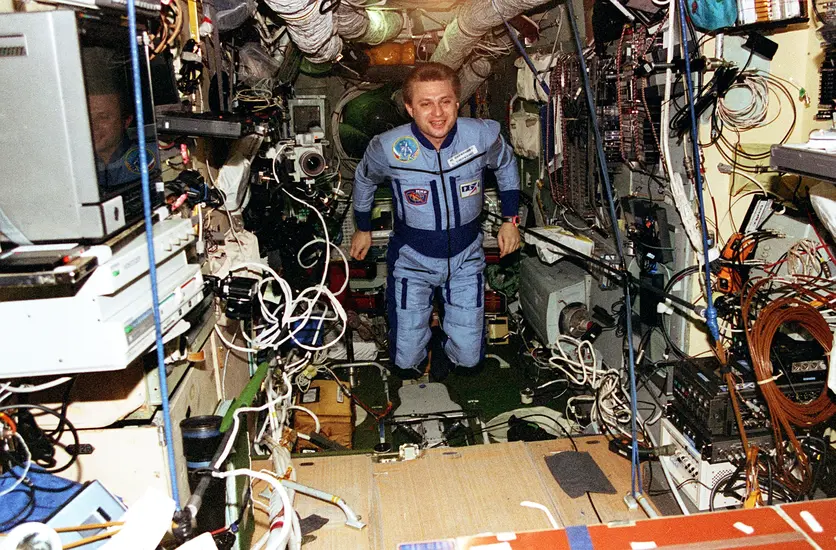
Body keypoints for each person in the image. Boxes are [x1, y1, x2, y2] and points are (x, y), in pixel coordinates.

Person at [350, 62, 521, 381]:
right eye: (426, 103)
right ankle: (422, 345)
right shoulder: (387, 147)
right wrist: (363, 227)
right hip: (412, 259)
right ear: (409, 108)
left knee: (469, 358)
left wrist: (510, 220)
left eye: (445, 101)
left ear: (457, 102)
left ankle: (445, 346)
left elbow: (506, 164)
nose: (438, 113)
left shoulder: (480, 136)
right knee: (405, 361)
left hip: (466, 257)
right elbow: (364, 179)